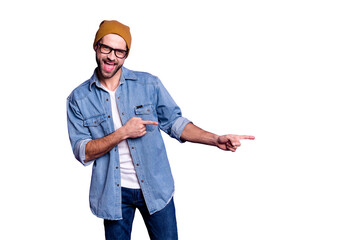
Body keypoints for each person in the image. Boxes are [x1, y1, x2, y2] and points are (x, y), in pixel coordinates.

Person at [67, 20, 255, 240]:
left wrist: (215, 139)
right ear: (96, 47)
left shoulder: (148, 85)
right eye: (106, 48)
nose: (111, 56)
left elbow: (175, 123)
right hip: (112, 193)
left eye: (120, 51)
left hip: (156, 188)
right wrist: (123, 133)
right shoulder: (79, 99)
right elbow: (83, 151)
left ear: (126, 54)